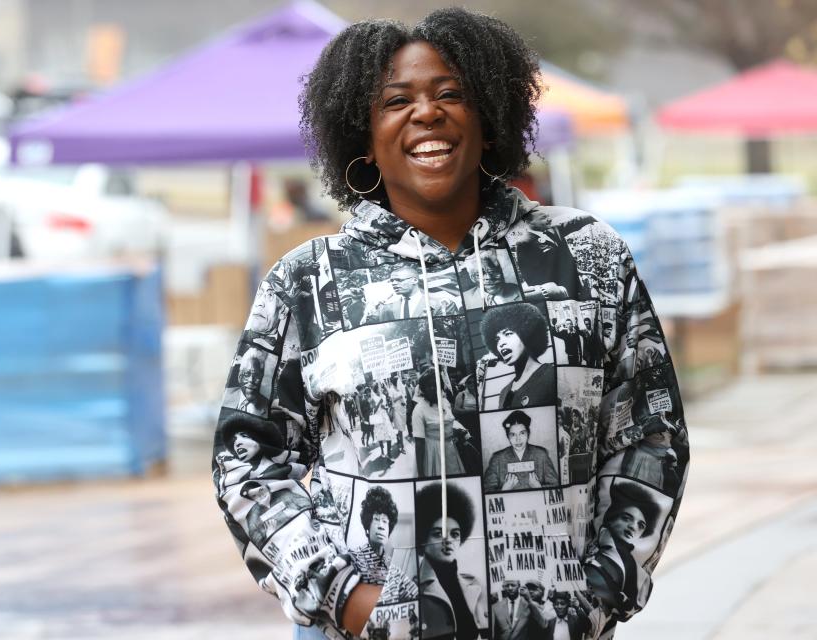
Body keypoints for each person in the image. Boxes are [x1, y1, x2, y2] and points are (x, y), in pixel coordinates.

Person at [213, 8, 688, 639]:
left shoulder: (586, 254)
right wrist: (348, 601)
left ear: (489, 118)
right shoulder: (307, 281)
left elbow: (651, 438)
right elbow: (247, 460)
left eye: (450, 94)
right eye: (396, 101)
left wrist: (599, 592)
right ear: (362, 133)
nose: (427, 114)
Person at [415, 482, 488, 639]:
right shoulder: (411, 589)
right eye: (437, 533)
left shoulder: (476, 585)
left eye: (455, 534)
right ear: (422, 539)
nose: (447, 541)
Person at [584, 482, 661, 620]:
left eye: (641, 525)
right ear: (611, 518)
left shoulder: (627, 562)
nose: (633, 527)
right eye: (626, 518)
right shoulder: (610, 550)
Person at [479, 304, 555, 410]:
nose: (501, 343)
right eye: (497, 339)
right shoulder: (504, 393)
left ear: (527, 334)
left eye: (508, 334)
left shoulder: (552, 376)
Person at [352, 486, 419, 601]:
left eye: (385, 521)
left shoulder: (394, 571)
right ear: (367, 525)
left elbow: (417, 598)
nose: (381, 526)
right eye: (377, 519)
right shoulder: (353, 559)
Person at [482, 410, 558, 492]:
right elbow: (486, 490)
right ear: (508, 437)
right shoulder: (497, 459)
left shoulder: (541, 455)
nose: (518, 439)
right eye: (513, 435)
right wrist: (504, 489)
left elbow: (555, 485)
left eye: (522, 433)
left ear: (528, 434)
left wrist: (538, 487)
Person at [412, 368, 467, 478]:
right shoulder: (419, 410)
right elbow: (419, 443)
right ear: (423, 388)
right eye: (429, 386)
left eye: (436, 384)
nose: (433, 388)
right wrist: (421, 473)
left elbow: (450, 421)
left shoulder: (445, 402)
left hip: (450, 450)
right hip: (433, 452)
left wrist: (457, 432)